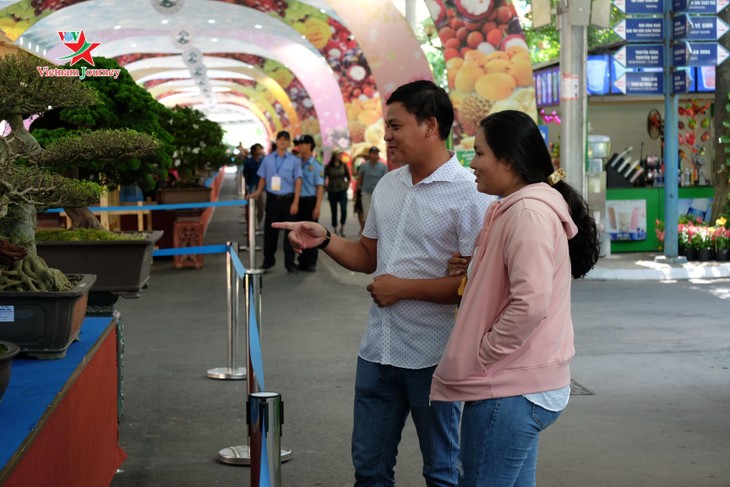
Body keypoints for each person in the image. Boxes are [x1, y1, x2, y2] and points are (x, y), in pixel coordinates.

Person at [273, 80, 494, 486]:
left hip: (436, 357)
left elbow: (477, 288)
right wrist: (323, 238)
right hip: (377, 351)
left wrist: (403, 288)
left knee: (442, 472)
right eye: (386, 127)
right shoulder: (389, 185)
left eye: (395, 126)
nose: (387, 136)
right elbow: (367, 257)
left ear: (429, 125)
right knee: (369, 469)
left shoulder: (471, 195)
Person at [431, 110, 600, 486]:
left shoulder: (526, 212)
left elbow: (531, 302)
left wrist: (485, 352)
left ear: (507, 160)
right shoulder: (516, 208)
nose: (471, 163)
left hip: (510, 387)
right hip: (517, 385)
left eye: (479, 153)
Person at [247, 130, 302, 273]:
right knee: (270, 232)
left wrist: (296, 202)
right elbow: (262, 178)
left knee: (291, 233)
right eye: (280, 139)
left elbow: (298, 181)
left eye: (285, 139)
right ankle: (268, 261)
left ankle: (290, 263)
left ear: (289, 142)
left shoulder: (294, 160)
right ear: (276, 141)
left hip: (288, 199)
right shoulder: (268, 159)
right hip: (272, 199)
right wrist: (258, 193)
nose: (282, 142)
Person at [296, 135, 325, 272]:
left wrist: (317, 207)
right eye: (299, 144)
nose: (300, 146)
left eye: (303, 144)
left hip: (310, 201)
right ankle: (301, 260)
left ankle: (311, 261)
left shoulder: (316, 165)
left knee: (312, 232)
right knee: (299, 232)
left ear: (309, 146)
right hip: (297, 201)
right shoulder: (297, 163)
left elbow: (320, 187)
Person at [324, 150, 352, 237]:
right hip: (332, 190)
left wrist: (347, 186)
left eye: (341, 154)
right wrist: (326, 187)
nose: (340, 156)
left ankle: (342, 227)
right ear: (334, 155)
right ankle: (335, 228)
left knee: (344, 209)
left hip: (342, 190)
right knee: (334, 210)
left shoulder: (343, 165)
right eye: (339, 154)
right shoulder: (328, 166)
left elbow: (348, 177)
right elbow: (323, 178)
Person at [357, 146, 387, 220]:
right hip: (366, 193)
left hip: (378, 194)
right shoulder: (364, 165)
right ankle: (366, 230)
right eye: (373, 153)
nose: (375, 155)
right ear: (369, 155)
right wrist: (356, 191)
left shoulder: (383, 166)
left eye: (376, 154)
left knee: (377, 214)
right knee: (367, 214)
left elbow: (385, 180)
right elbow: (360, 178)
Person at [243, 143, 265, 228]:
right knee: (250, 208)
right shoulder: (248, 162)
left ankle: (258, 224)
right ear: (254, 150)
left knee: (261, 208)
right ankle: (250, 226)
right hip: (251, 187)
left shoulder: (263, 161)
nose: (260, 151)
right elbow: (245, 174)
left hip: (261, 188)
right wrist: (248, 184)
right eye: (258, 149)